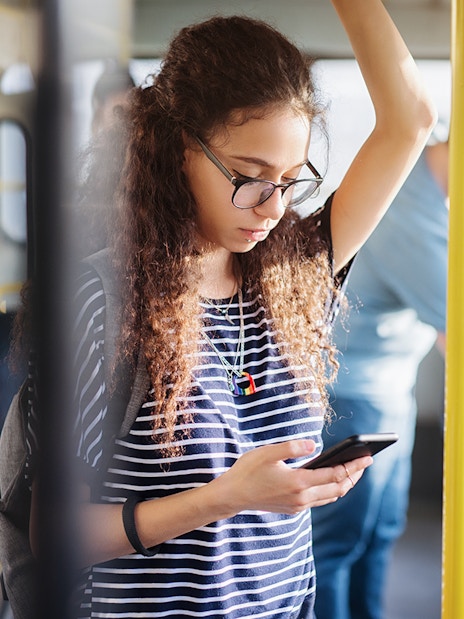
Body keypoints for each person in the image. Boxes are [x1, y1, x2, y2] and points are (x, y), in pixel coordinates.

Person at [27, 2, 435, 617]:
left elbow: (410, 119)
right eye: (249, 176)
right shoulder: (102, 300)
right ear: (176, 150)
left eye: (292, 180)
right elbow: (53, 535)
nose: (272, 207)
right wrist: (226, 497)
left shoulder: (293, 270)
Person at [312, 135, 448, 619]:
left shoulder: (435, 196)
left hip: (391, 388)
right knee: (335, 546)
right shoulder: (409, 207)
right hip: (351, 394)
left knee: (378, 536)